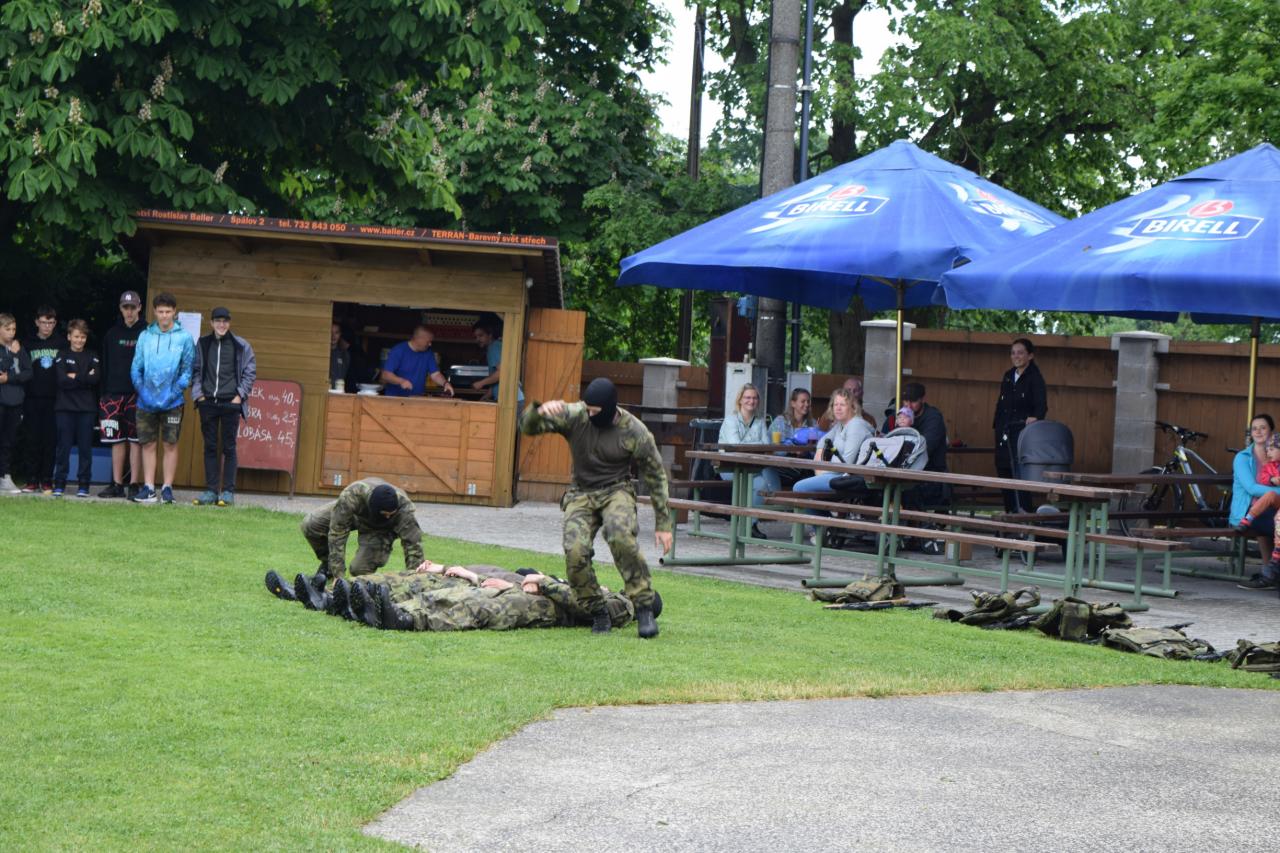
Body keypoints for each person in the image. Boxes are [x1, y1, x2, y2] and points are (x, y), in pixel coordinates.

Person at [519, 377, 670, 638]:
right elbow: (526, 427)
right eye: (587, 409)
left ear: (610, 408)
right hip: (581, 492)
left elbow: (656, 475)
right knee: (575, 551)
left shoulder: (634, 430)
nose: (590, 415)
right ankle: (597, 610)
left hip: (616, 490)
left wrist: (663, 524)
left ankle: (644, 607)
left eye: (595, 411)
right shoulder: (575, 415)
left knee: (620, 536)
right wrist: (539, 411)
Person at [130, 292, 195, 504]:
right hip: (145, 401)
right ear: (154, 312)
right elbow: (136, 368)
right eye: (160, 311)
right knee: (148, 444)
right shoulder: (145, 336)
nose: (164, 316)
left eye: (168, 311)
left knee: (170, 444)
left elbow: (188, 370)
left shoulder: (184, 337)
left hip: (173, 402)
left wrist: (173, 394)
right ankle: (149, 488)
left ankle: (167, 489)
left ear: (174, 312)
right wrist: (143, 392)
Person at [299, 477, 425, 583]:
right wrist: (338, 575)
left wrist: (414, 581)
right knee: (311, 525)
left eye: (391, 514)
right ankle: (328, 568)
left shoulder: (404, 509)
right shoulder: (353, 495)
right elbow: (337, 533)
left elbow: (413, 546)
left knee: (359, 570)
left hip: (380, 529)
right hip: (357, 514)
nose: (388, 516)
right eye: (385, 514)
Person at [192, 307, 257, 507]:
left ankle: (228, 492)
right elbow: (195, 370)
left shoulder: (241, 345)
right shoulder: (202, 343)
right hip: (208, 403)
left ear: (229, 323)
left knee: (229, 447)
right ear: (211, 323)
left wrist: (239, 396)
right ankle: (211, 491)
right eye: (218, 321)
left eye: (225, 321)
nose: (222, 325)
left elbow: (250, 372)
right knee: (210, 446)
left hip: (231, 403)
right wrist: (199, 395)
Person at [793, 387, 874, 539]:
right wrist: (819, 455)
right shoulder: (840, 425)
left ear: (852, 407)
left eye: (842, 404)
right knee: (806, 493)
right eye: (835, 404)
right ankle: (829, 529)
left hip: (849, 478)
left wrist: (822, 471)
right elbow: (823, 441)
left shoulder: (856, 426)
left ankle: (827, 528)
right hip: (836, 474)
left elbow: (847, 463)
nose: (838, 408)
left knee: (799, 488)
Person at [97, 291, 146, 499]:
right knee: (116, 440)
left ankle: (134, 484)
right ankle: (117, 484)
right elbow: (104, 364)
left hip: (138, 394)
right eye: (126, 307)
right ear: (120, 308)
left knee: (136, 440)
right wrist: (103, 394)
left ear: (139, 307)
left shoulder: (147, 332)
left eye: (133, 307)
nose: (129, 311)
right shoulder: (111, 334)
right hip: (112, 395)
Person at [717, 383, 780, 539]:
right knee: (759, 483)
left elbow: (766, 445)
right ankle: (748, 525)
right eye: (747, 397)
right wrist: (757, 445)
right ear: (740, 400)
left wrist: (754, 446)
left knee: (767, 482)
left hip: (753, 466)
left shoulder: (759, 421)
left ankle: (750, 523)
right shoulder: (731, 420)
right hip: (729, 467)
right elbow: (736, 446)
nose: (751, 401)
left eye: (754, 398)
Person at [992, 337, 1048, 513]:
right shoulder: (1008, 376)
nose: (1016, 356)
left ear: (1030, 355)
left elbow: (1041, 406)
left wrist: (1034, 418)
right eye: (1013, 353)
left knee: (1019, 473)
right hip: (1004, 431)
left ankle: (1023, 515)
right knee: (1003, 470)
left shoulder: (1035, 378)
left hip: (1022, 434)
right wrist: (997, 425)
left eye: (1020, 353)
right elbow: (1001, 404)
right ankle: (1010, 513)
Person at [1231, 414, 1280, 590]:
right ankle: (1271, 574)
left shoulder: (1276, 456)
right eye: (1254, 428)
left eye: (1263, 428)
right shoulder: (1243, 457)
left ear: (1271, 431)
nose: (1258, 431)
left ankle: (1271, 574)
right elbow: (1251, 488)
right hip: (1250, 512)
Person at [20, 306, 66, 493]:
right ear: (36, 322)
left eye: (51, 323)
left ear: (55, 324)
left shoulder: (62, 343)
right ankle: (31, 479)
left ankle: (47, 479)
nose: (47, 326)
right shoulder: (27, 343)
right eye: (44, 322)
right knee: (32, 439)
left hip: (54, 399)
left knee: (50, 440)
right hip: (32, 398)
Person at [52, 319, 100, 497]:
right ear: (69, 337)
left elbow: (95, 380)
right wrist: (84, 377)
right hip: (65, 408)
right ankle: (59, 483)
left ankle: (84, 485)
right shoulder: (62, 354)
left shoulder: (93, 355)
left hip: (87, 409)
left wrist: (74, 376)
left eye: (83, 337)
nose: (79, 340)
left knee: (85, 448)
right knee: (63, 448)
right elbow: (62, 381)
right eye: (76, 336)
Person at [0, 312, 33, 494]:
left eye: (14, 329)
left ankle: (5, 476)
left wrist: (9, 378)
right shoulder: (11, 350)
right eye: (7, 329)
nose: (12, 333)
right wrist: (10, 355)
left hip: (15, 401)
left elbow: (28, 373)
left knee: (9, 441)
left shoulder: (19, 348)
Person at [380, 325, 454, 398]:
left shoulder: (428, 353)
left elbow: (435, 374)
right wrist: (401, 381)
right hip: (395, 399)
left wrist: (445, 383)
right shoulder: (398, 350)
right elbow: (386, 375)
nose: (430, 344)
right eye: (428, 341)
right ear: (419, 339)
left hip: (417, 399)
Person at [470, 313, 523, 407]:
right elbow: (495, 384)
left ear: (490, 335)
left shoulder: (493, 348)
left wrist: (481, 383)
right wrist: (483, 399)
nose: (477, 339)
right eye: (475, 337)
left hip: (510, 400)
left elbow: (501, 373)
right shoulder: (496, 346)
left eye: (481, 336)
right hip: (513, 399)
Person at [329, 322, 350, 390]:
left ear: (340, 334)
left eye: (336, 333)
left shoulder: (344, 354)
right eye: (330, 332)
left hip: (338, 391)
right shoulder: (322, 353)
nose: (333, 336)